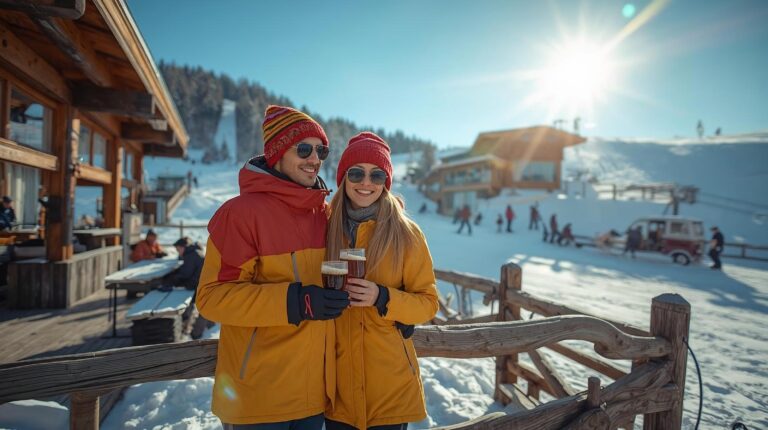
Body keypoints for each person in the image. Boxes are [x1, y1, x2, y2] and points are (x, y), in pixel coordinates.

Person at [196, 105, 350, 428]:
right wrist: (297, 302)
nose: (315, 159)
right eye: (304, 149)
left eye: (320, 150)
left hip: (313, 397)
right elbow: (212, 297)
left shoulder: (324, 214)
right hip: (257, 401)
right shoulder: (239, 215)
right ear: (276, 153)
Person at [325, 131, 438, 430]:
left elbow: (427, 303)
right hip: (336, 392)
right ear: (343, 177)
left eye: (377, 175)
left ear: (386, 182)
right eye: (356, 172)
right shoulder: (321, 227)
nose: (366, 182)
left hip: (390, 389)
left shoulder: (406, 233)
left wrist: (384, 297)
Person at [171, 237, 208, 339]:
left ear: (184, 247)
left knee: (187, 299)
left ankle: (195, 333)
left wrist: (172, 280)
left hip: (200, 285)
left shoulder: (191, 255)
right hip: (202, 282)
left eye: (179, 250)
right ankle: (188, 324)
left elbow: (185, 274)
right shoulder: (193, 251)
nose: (178, 252)